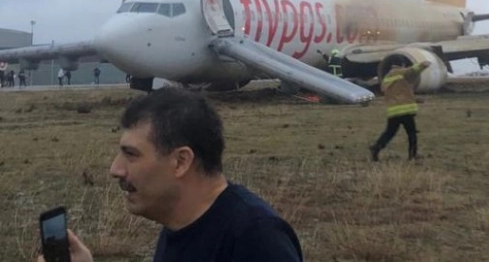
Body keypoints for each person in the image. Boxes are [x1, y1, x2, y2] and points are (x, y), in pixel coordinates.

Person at [37, 88, 303, 262]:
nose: (114, 169)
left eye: (131, 154)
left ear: (180, 161)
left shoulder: (256, 240)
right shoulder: (180, 225)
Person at [369, 59, 431, 161]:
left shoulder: (387, 77)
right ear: (402, 64)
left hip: (393, 110)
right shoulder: (402, 72)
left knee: (389, 133)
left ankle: (376, 148)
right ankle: (413, 154)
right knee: (412, 133)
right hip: (405, 109)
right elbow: (412, 71)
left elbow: (389, 90)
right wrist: (422, 65)